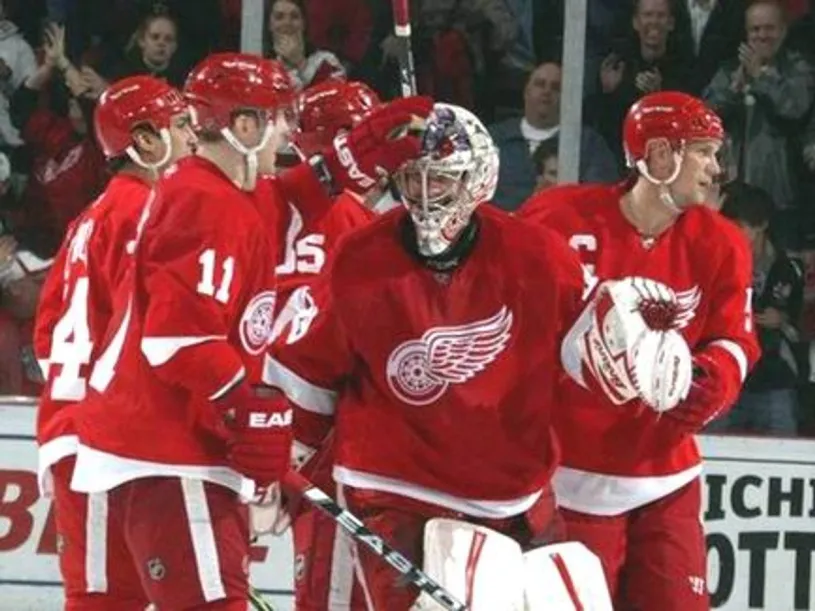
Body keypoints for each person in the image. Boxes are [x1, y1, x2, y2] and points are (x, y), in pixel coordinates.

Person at [68, 52, 432, 610]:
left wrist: (358, 156)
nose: (287, 131)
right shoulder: (201, 199)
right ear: (243, 126)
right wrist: (245, 400)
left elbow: (289, 203)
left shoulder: (233, 193)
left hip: (171, 448)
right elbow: (175, 338)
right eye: (279, 117)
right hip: (169, 449)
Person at [264, 103, 595, 609]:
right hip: (394, 487)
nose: (422, 198)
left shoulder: (540, 256)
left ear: (478, 180)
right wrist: (282, 465)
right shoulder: (360, 254)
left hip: (513, 490)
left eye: (438, 181)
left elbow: (588, 359)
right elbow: (309, 372)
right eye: (411, 180)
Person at [518, 90, 762, 610]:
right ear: (658, 156)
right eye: (703, 152)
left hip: (665, 479)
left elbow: (736, 339)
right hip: (569, 480)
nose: (715, 169)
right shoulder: (555, 220)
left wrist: (710, 380)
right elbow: (503, 313)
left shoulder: (721, 242)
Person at [33, 75, 196, 610]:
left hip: (73, 430)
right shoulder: (144, 214)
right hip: (100, 440)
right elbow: (152, 329)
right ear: (145, 140)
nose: (194, 138)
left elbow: (46, 334)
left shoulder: (89, 218)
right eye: (181, 125)